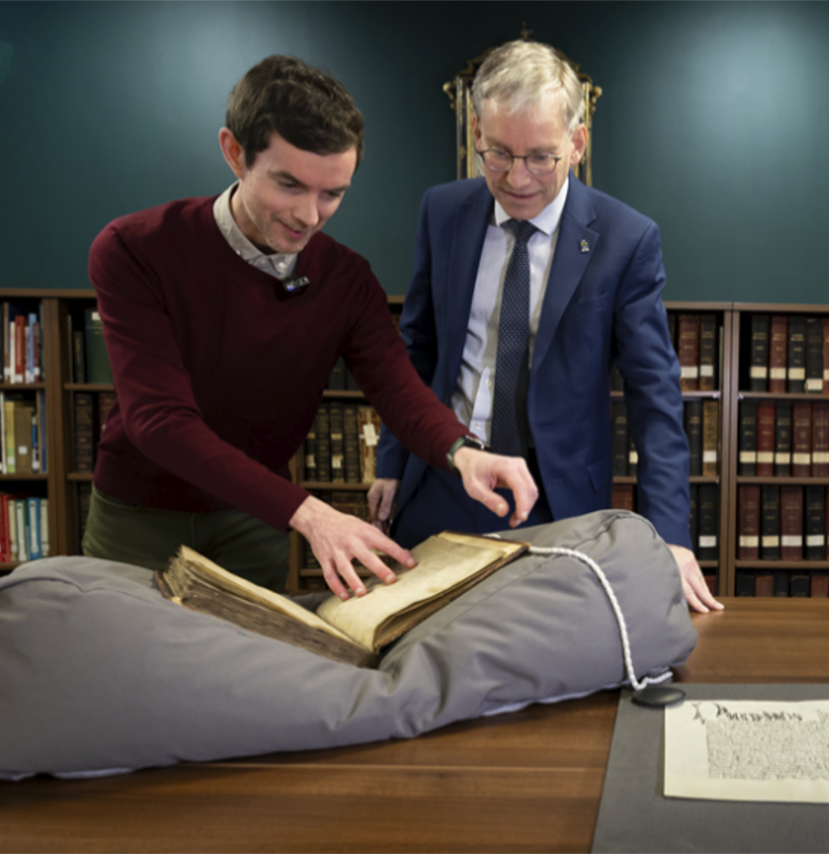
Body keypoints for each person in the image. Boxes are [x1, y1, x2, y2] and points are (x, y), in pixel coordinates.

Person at [83, 55, 537, 601]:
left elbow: (398, 390)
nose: (310, 215)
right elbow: (160, 421)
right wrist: (310, 514)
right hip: (140, 514)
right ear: (234, 153)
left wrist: (464, 452)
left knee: (245, 677)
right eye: (288, 185)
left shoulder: (346, 280)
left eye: (332, 193)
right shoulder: (136, 250)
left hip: (257, 518)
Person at [368, 39, 721, 613]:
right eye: (499, 154)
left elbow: (653, 395)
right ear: (476, 133)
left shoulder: (626, 239)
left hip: (553, 500)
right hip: (440, 477)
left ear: (576, 143)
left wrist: (670, 537)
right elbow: (417, 350)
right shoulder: (443, 211)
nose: (517, 178)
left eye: (540, 156)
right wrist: (390, 459)